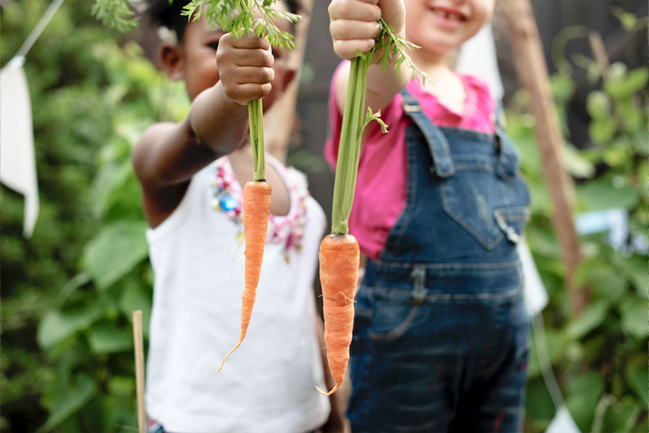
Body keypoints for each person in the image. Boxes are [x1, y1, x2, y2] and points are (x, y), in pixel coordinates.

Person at [133, 1, 343, 431]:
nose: (248, 57)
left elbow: (305, 316)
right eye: (217, 45)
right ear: (174, 61)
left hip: (299, 421)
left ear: (283, 76)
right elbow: (201, 134)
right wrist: (229, 95)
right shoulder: (168, 162)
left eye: (271, 50)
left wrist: (334, 416)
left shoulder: (300, 193)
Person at [326, 0, 531, 431]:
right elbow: (380, 79)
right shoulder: (369, 78)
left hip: (503, 335)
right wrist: (387, 35)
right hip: (408, 335)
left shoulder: (482, 95)